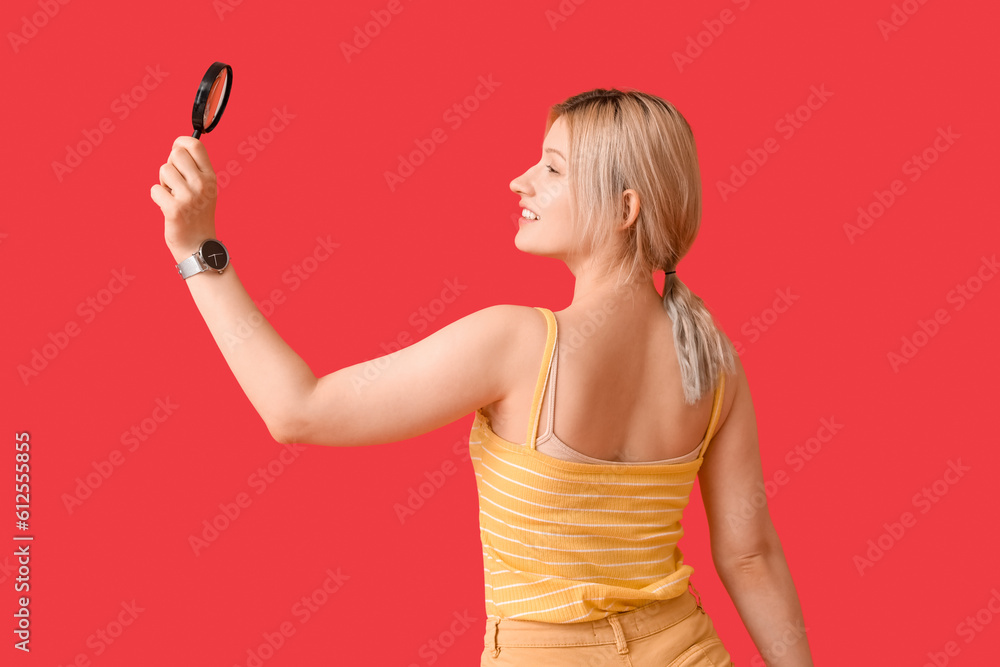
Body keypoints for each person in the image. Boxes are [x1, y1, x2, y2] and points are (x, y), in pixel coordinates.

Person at [150, 87, 813, 666]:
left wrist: (197, 251)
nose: (520, 182)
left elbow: (298, 409)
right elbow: (749, 555)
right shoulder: (712, 359)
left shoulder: (517, 342)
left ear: (625, 208)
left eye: (553, 168)